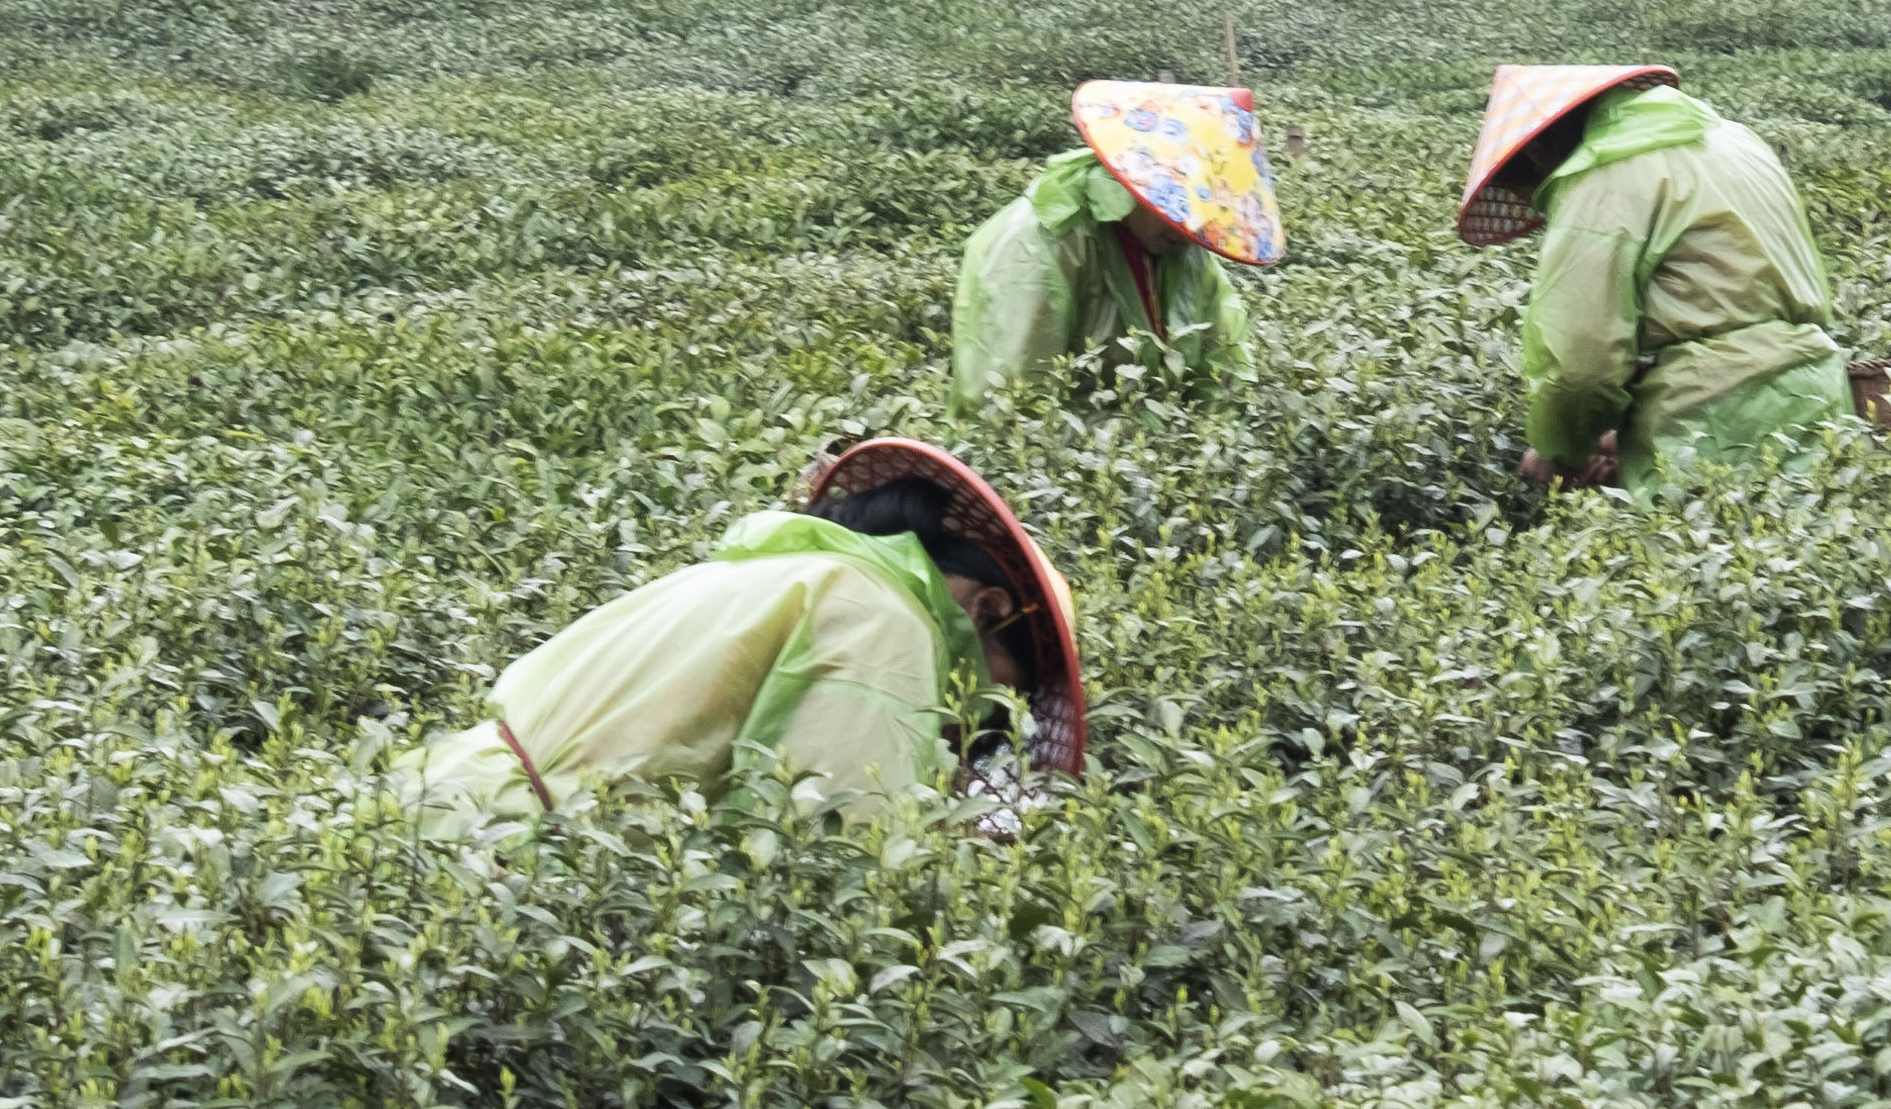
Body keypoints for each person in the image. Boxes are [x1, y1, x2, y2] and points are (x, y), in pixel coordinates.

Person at [396, 438, 1085, 830]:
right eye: (1004, 693)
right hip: (503, 850)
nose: (981, 715)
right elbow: (836, 837)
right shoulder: (886, 618)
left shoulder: (802, 570)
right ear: (990, 610)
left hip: (434, 798)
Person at [1457, 62, 1844, 491]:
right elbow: (1714, 300)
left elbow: (1582, 368)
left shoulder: (1601, 179)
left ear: (1534, 155)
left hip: (1713, 419)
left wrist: (1559, 451)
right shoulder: (1734, 141)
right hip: (1819, 395)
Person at [954, 81, 1279, 409]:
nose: (1185, 234)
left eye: (1204, 219)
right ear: (1140, 180)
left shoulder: (1187, 251)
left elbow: (1223, 364)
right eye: (1176, 209)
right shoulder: (1045, 242)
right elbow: (1013, 401)